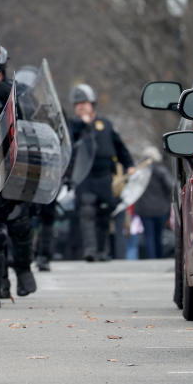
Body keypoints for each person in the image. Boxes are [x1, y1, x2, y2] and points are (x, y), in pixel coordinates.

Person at [0, 63, 37, 307]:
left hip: (15, 168)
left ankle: (23, 270)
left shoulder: (12, 92)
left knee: (20, 222)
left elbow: (31, 123)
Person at [68, 84, 134, 262]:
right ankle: (90, 250)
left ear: (92, 103)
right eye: (77, 104)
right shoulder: (73, 126)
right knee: (87, 211)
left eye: (84, 102)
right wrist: (83, 125)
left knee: (105, 213)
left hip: (105, 176)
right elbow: (69, 144)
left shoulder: (106, 124)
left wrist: (129, 164)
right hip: (84, 176)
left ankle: (102, 250)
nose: (81, 106)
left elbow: (119, 146)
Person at [133, 146, 173, 259]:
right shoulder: (161, 170)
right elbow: (170, 186)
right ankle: (159, 257)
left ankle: (151, 258)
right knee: (158, 235)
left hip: (144, 209)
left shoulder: (140, 172)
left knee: (148, 235)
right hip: (161, 209)